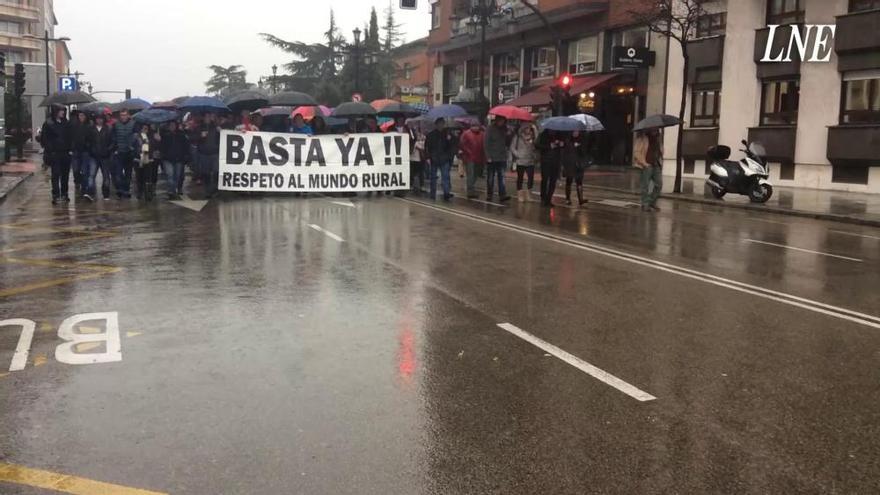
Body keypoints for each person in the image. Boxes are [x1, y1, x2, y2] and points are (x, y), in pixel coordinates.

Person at [40, 105, 73, 204]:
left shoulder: (66, 123)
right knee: (55, 174)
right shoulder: (48, 124)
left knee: (65, 175)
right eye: (60, 111)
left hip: (65, 153)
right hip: (54, 153)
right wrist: (50, 150)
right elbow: (44, 139)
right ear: (55, 112)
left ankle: (64, 193)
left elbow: (70, 137)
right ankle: (56, 195)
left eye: (63, 111)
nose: (63, 112)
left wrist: (70, 149)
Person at [424, 118, 456, 201]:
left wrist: (450, 140)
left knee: (445, 176)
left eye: (442, 123)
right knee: (433, 177)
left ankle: (446, 193)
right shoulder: (431, 135)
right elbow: (427, 147)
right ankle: (433, 193)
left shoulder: (448, 134)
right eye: (439, 124)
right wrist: (428, 157)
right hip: (434, 158)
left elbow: (453, 145)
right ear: (436, 124)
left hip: (444, 158)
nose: (441, 125)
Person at [633, 128, 663, 212]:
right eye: (653, 129)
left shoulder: (658, 139)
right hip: (646, 165)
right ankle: (645, 204)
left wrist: (661, 156)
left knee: (659, 185)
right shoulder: (642, 139)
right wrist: (644, 163)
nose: (655, 131)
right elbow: (636, 152)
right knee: (645, 186)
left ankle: (652, 203)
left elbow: (661, 151)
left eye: (656, 129)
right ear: (649, 130)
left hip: (656, 164)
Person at [110, 109, 137, 199]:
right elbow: (113, 137)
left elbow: (136, 136)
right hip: (119, 152)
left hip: (129, 152)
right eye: (121, 115)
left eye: (125, 115)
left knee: (128, 173)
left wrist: (133, 146)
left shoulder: (133, 124)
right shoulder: (116, 125)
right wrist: (115, 148)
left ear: (128, 115)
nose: (123, 117)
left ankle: (126, 190)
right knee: (118, 173)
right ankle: (120, 189)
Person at [484, 115, 511, 202]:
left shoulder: (505, 129)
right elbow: (486, 143)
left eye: (503, 121)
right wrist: (488, 156)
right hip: (492, 157)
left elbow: (508, 142)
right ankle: (489, 194)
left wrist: (509, 135)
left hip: (502, 157)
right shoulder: (490, 129)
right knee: (490, 177)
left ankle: (502, 194)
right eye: (500, 120)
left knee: (502, 177)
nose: (501, 122)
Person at [160, 120, 189, 199]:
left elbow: (186, 146)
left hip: (179, 159)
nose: (172, 127)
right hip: (167, 159)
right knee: (170, 175)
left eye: (174, 125)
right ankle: (171, 191)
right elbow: (161, 147)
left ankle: (174, 190)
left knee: (177, 176)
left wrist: (185, 156)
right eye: (171, 125)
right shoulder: (164, 135)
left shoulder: (181, 134)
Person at [509, 124, 538, 202]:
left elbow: (537, 144)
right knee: (520, 178)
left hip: (530, 160)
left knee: (530, 178)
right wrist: (517, 154)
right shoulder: (518, 137)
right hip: (521, 161)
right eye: (527, 128)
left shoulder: (533, 137)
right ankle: (520, 195)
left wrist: (535, 129)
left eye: (529, 128)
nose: (528, 130)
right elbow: (512, 147)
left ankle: (529, 195)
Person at [88, 114, 114, 201]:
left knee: (106, 176)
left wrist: (108, 150)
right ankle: (90, 193)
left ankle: (106, 194)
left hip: (105, 156)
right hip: (93, 156)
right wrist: (91, 150)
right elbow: (87, 141)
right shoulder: (91, 129)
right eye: (98, 119)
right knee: (91, 175)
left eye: (101, 119)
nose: (99, 120)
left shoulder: (109, 128)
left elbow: (113, 141)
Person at [457, 122, 485, 200]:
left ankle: (471, 187)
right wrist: (467, 152)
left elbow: (484, 144)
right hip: (469, 157)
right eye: (474, 126)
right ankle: (470, 191)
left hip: (479, 157)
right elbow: (462, 144)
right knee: (471, 174)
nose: (476, 128)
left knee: (476, 173)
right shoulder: (466, 134)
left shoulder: (482, 134)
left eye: (477, 126)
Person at [536, 129, 563, 207]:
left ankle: (549, 199)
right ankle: (543, 197)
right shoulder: (543, 134)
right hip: (546, 160)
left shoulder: (559, 134)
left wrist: (562, 144)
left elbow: (564, 145)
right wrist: (549, 146)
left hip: (556, 161)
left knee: (553, 180)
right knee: (545, 179)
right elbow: (537, 145)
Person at [197, 113, 222, 198]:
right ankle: (207, 190)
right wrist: (200, 136)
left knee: (216, 171)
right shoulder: (199, 127)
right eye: (206, 117)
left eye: (209, 117)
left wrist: (220, 131)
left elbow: (222, 138)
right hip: (204, 153)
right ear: (203, 118)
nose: (208, 118)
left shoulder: (215, 127)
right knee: (206, 173)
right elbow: (192, 138)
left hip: (215, 152)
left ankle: (215, 189)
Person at [70, 111, 94, 198]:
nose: (81, 117)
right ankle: (77, 181)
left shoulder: (89, 126)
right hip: (76, 151)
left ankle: (84, 189)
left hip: (85, 151)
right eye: (80, 115)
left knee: (85, 171)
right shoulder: (74, 125)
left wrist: (88, 145)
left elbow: (92, 138)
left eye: (83, 115)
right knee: (75, 169)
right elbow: (71, 137)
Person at [134, 124, 161, 201]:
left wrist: (158, 140)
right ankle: (139, 192)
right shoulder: (136, 136)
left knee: (148, 177)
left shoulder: (152, 136)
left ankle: (148, 193)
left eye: (146, 128)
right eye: (144, 128)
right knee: (139, 176)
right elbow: (133, 146)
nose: (145, 130)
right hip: (138, 159)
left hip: (149, 159)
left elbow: (155, 147)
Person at [563, 131, 590, 206]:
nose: (576, 133)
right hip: (570, 164)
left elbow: (584, 152)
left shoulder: (582, 140)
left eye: (577, 131)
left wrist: (579, 147)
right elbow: (565, 152)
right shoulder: (568, 141)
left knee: (579, 181)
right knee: (569, 181)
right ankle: (568, 199)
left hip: (579, 164)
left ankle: (580, 199)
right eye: (574, 131)